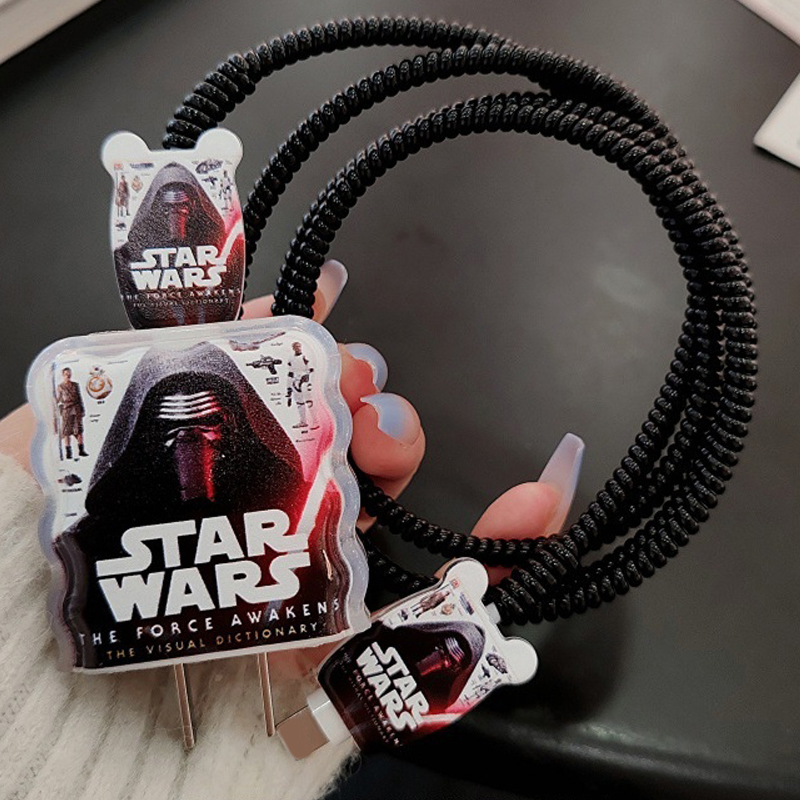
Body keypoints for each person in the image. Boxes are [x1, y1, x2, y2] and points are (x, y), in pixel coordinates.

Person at [0, 260, 582, 800]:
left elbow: (300, 734)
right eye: (174, 437)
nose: (192, 453)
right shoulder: (86, 541)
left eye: (208, 432)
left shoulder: (292, 528)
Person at [56, 367, 87, 459]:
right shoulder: (60, 387)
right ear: (63, 375)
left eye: (69, 373)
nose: (68, 375)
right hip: (66, 409)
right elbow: (58, 399)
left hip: (76, 408)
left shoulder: (75, 385)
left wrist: (82, 409)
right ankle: (68, 453)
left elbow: (79, 397)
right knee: (67, 432)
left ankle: (81, 450)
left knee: (79, 430)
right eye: (66, 374)